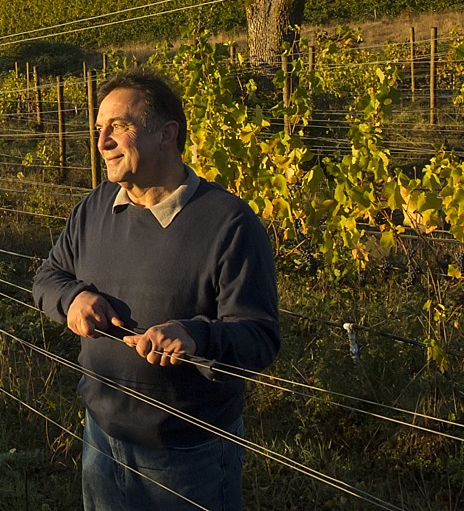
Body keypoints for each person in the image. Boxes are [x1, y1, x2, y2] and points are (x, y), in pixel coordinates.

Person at [33, 67, 280, 511]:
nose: (102, 142)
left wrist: (197, 336)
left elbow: (260, 338)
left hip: (189, 456)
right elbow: (48, 278)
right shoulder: (94, 208)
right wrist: (72, 299)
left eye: (119, 128)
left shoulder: (229, 224)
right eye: (99, 129)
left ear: (168, 135)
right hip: (101, 438)